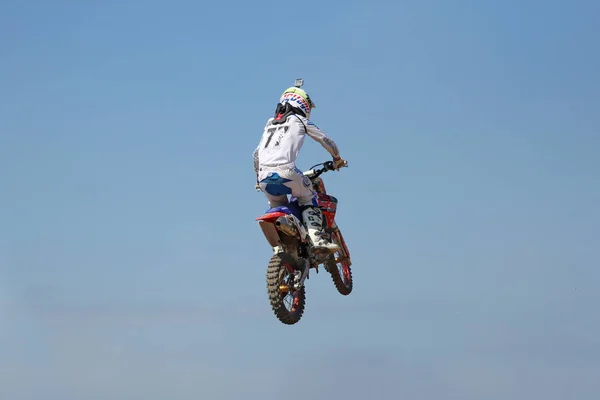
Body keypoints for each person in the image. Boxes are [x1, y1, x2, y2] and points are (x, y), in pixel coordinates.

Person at [253, 80, 347, 253]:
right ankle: (317, 239)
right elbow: (325, 140)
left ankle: (281, 249)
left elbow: (256, 155)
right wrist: (337, 158)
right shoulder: (300, 120)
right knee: (308, 196)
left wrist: (258, 180)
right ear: (304, 104)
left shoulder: (269, 123)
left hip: (264, 177)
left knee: (277, 204)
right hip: (287, 172)